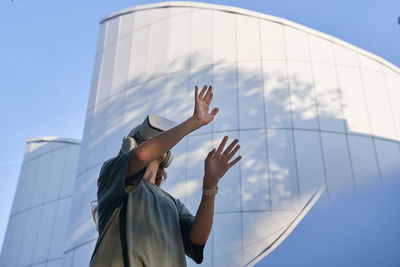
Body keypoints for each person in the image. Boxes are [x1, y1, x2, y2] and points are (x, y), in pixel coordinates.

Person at [90, 85, 242, 266]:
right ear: (130, 145)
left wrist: (210, 184)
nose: (157, 141)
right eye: (149, 137)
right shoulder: (112, 175)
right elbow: (140, 156)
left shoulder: (173, 204)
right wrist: (194, 122)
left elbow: (198, 239)